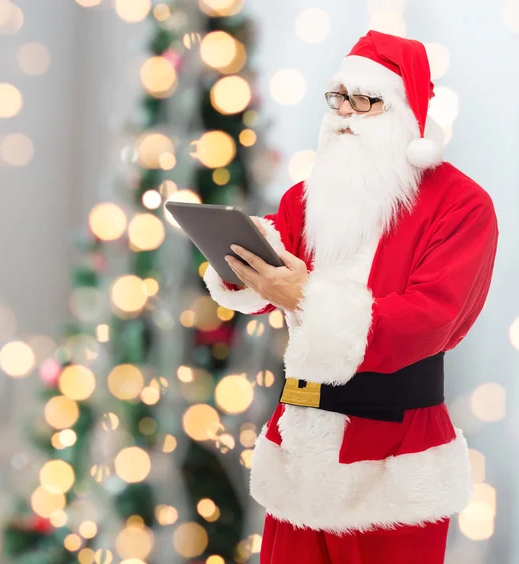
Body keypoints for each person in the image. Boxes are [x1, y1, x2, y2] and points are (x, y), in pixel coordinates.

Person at [203, 30, 499, 564]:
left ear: (405, 114)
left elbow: (429, 320)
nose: (345, 113)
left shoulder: (462, 205)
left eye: (365, 99)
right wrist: (242, 261)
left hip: (395, 464)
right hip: (301, 452)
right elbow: (270, 278)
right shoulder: (309, 196)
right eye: (338, 97)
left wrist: (305, 298)